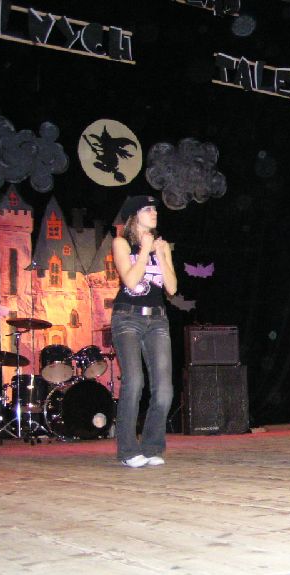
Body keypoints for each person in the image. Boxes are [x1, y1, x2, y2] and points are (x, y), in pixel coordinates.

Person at [111, 195, 177, 467]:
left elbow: (172, 288)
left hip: (158, 319)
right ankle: (128, 451)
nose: (154, 212)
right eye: (148, 209)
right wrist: (144, 251)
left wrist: (160, 255)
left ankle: (152, 447)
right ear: (134, 216)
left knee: (164, 389)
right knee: (135, 381)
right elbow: (130, 280)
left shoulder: (162, 246)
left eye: (155, 209)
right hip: (127, 317)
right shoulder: (121, 243)